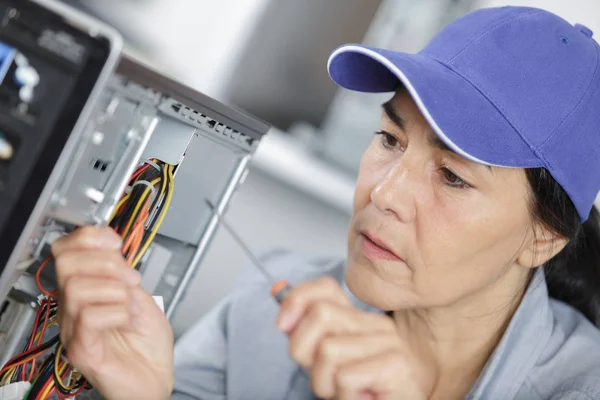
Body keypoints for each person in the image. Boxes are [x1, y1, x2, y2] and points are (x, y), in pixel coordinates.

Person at [50, 5, 600, 400]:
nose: (383, 195)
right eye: (390, 139)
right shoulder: (267, 317)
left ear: (544, 238)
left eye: (453, 177)